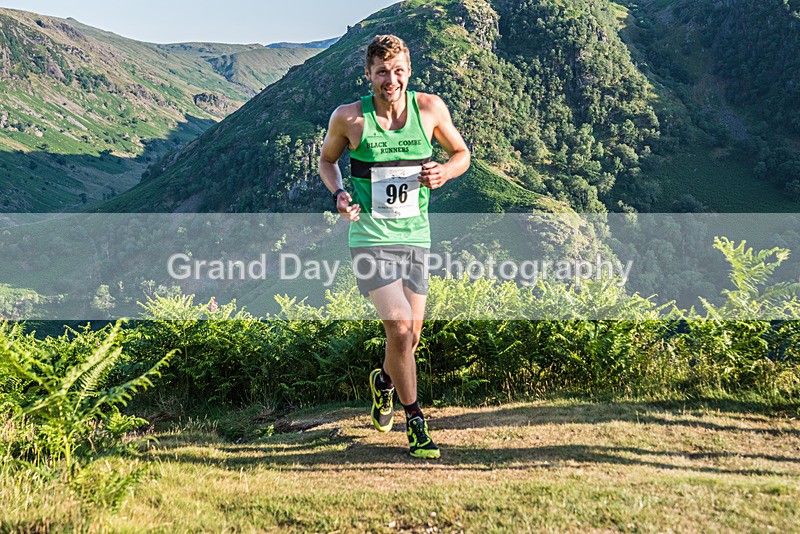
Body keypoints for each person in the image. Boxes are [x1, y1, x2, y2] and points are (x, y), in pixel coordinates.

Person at [319, 34, 470, 459]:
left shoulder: (430, 109)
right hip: (369, 239)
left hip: (416, 238)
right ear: (368, 74)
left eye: (398, 70)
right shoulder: (349, 118)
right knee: (399, 327)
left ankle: (384, 382)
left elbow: (461, 153)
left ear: (409, 71)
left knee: (411, 338)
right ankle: (416, 421)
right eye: (382, 72)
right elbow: (327, 161)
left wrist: (445, 172)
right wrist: (339, 194)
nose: (391, 80)